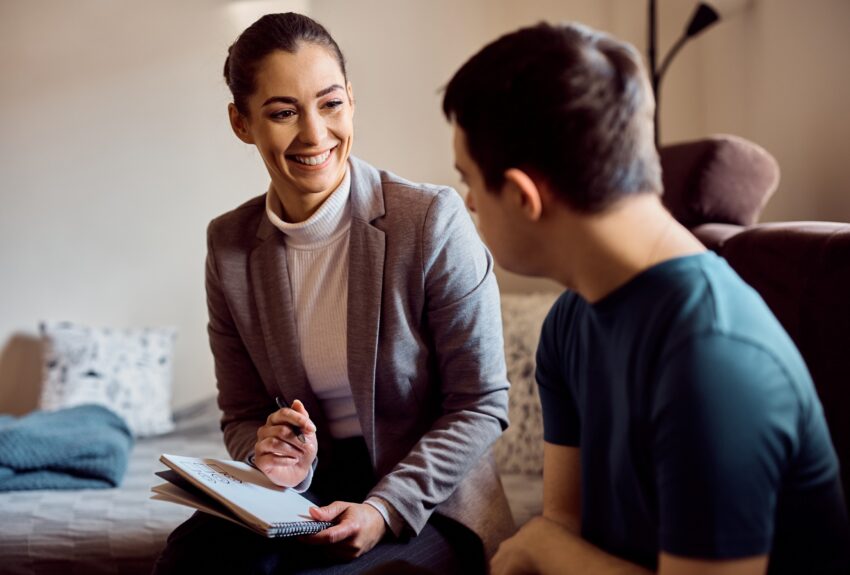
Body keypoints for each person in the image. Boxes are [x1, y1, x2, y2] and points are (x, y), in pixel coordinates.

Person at [442, 21, 850, 575]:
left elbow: (552, 543)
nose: (468, 202)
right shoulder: (571, 320)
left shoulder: (715, 356)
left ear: (521, 195)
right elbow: (565, 523)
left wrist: (540, 547)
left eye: (469, 181)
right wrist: (542, 548)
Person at [153, 12, 514, 574]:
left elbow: (481, 403)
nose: (315, 134)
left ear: (352, 101)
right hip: (304, 498)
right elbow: (243, 414)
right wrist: (268, 454)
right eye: (281, 112)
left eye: (331, 103)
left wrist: (381, 507)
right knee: (191, 559)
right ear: (241, 123)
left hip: (427, 501)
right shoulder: (229, 245)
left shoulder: (430, 221)